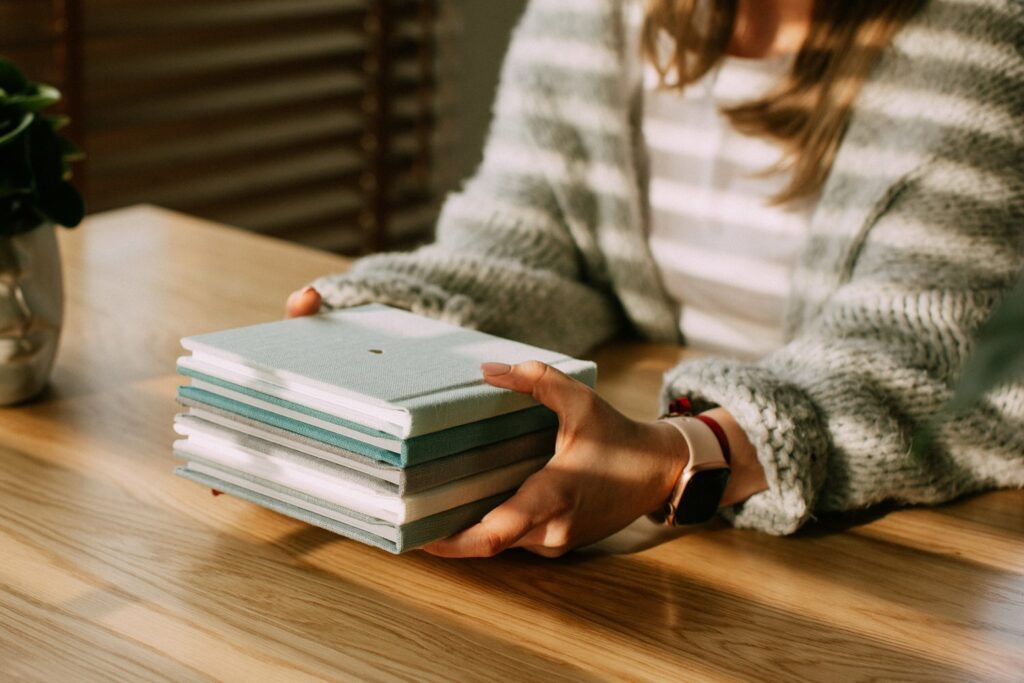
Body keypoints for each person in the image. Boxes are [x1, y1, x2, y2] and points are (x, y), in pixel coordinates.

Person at [286, 0, 1024, 557]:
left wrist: (680, 455)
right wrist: (380, 325)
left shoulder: (978, 38)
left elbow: (930, 357)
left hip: (894, 554)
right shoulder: (586, 20)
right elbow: (526, 238)